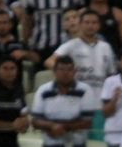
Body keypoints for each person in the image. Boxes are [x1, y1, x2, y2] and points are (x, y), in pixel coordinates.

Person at [45, 9, 117, 140]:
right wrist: (66, 74)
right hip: (75, 104)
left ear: (99, 25)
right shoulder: (71, 45)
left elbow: (111, 76)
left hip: (99, 106)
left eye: (94, 22)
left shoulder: (106, 47)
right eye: (87, 22)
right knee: (76, 144)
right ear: (81, 24)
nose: (90, 25)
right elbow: (50, 62)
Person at [31, 55, 96, 147]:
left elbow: (86, 123)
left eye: (69, 69)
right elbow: (35, 121)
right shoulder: (43, 91)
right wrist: (54, 126)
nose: (65, 73)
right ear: (54, 71)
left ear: (74, 72)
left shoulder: (85, 90)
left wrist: (58, 128)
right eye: (61, 69)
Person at [22, 0, 85, 66]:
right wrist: (25, 43)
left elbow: (82, 15)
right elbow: (27, 21)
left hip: (66, 44)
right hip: (41, 46)